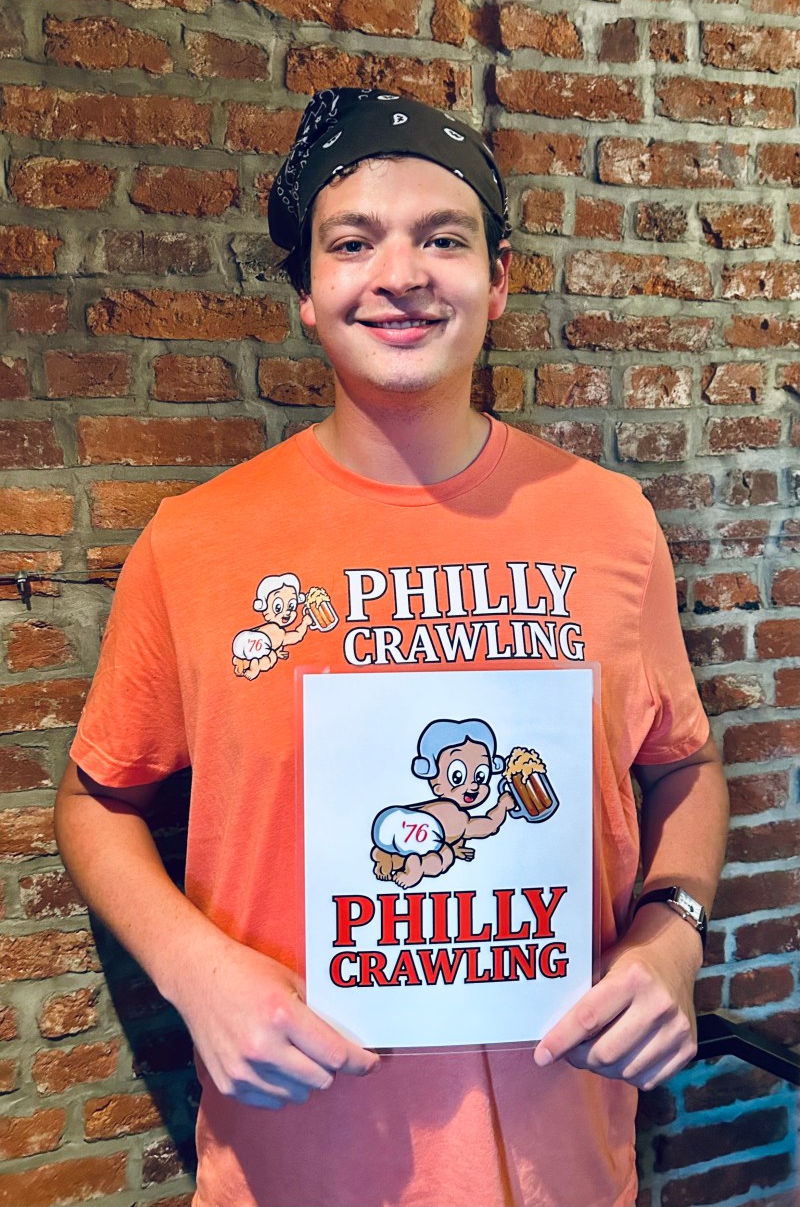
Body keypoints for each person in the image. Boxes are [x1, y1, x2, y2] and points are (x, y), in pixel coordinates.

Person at [56, 88, 729, 1207]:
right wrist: (193, 971)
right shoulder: (199, 542)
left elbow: (680, 765)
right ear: (309, 298)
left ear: (498, 279)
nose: (401, 274)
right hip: (299, 1164)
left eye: (443, 238)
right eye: (354, 242)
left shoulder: (607, 521)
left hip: (570, 1160)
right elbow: (95, 802)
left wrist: (673, 935)